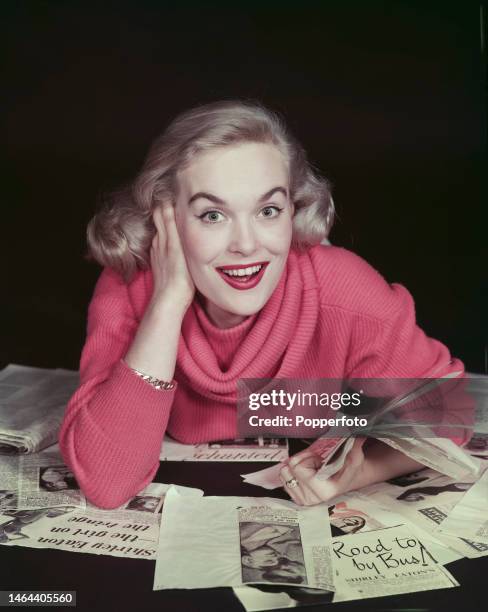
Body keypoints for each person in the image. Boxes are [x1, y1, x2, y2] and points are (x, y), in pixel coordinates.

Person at [59, 100, 471, 509]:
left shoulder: (343, 289)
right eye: (212, 215)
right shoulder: (129, 286)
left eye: (268, 210)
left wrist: (359, 473)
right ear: (166, 218)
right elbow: (108, 484)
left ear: (293, 210)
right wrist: (167, 304)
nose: (247, 244)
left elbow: (447, 413)